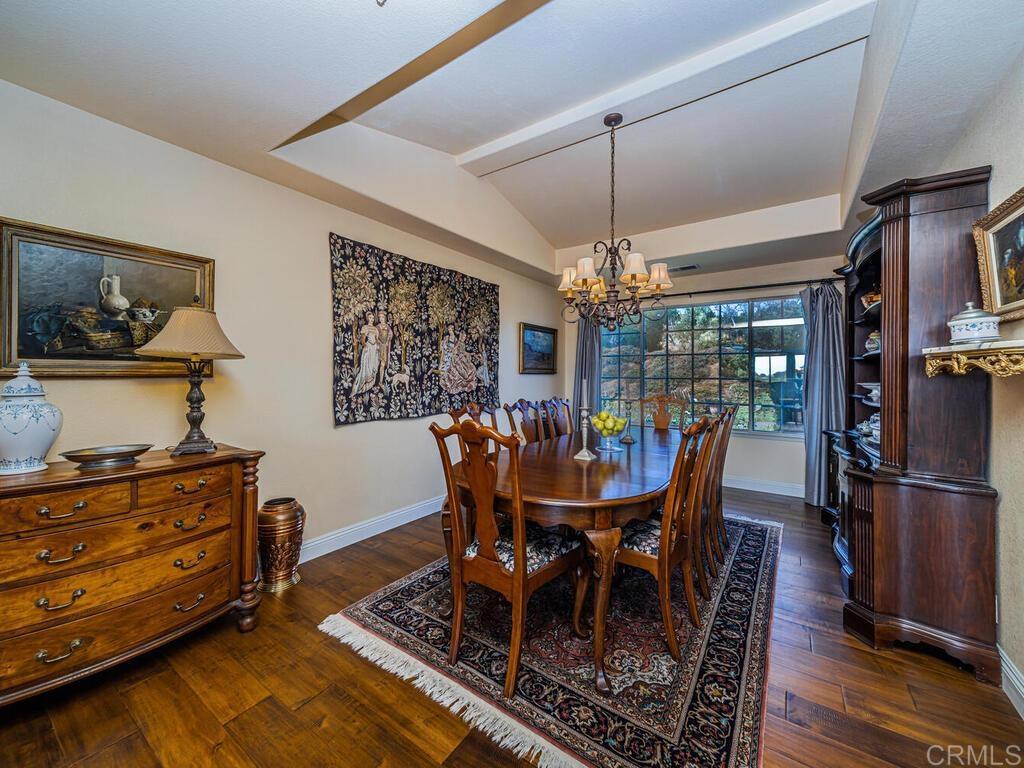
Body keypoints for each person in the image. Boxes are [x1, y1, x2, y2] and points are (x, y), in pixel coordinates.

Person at [350, 311, 379, 396]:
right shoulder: (365, 327)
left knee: (373, 367)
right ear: (367, 318)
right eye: (370, 318)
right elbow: (363, 338)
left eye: (373, 318)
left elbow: (376, 339)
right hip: (369, 348)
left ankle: (369, 387)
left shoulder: (375, 329)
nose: (372, 319)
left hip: (374, 349)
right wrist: (365, 345)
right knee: (367, 368)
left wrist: (377, 346)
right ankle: (360, 388)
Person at [376, 309, 393, 387]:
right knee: (377, 364)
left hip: (385, 348)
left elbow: (390, 334)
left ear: (385, 318)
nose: (381, 319)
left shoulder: (387, 326)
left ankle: (380, 381)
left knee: (382, 365)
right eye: (380, 317)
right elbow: (376, 336)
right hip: (379, 347)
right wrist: (379, 342)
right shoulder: (378, 326)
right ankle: (374, 381)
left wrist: (387, 340)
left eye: (382, 317)